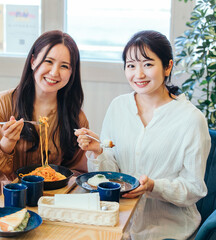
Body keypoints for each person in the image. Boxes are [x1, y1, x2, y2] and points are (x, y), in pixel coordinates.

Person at [75, 30, 211, 240]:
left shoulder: (191, 120)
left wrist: (154, 186)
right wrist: (98, 152)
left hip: (169, 232)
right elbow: (112, 176)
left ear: (168, 67)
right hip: (118, 226)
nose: (138, 74)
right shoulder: (118, 107)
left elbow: (194, 189)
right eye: (131, 65)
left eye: (148, 64)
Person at [0, 30, 89, 210]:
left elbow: (76, 171)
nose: (54, 72)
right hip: (2, 200)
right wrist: (6, 143)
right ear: (33, 61)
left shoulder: (76, 116)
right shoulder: (3, 103)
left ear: (72, 72)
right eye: (48, 61)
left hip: (49, 202)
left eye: (64, 66)